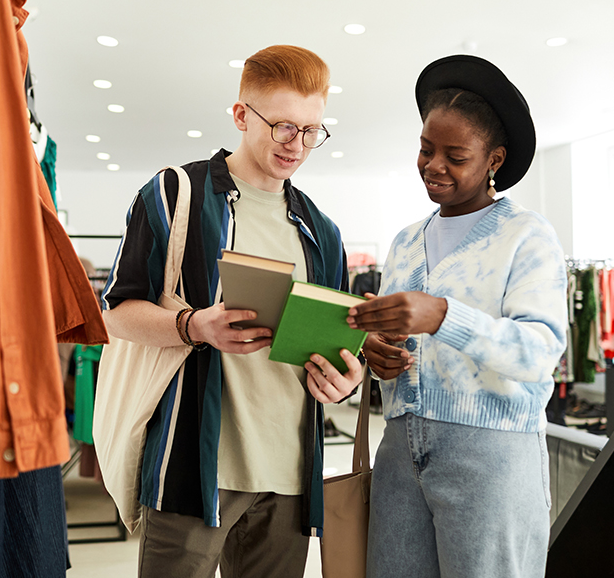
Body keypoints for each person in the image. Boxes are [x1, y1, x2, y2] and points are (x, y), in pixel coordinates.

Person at [101, 44, 364, 578]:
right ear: (242, 115)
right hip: (192, 469)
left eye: (314, 130)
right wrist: (193, 325)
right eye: (284, 127)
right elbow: (117, 312)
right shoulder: (176, 193)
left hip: (290, 480)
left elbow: (332, 345)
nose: (300, 145)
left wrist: (346, 378)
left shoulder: (324, 232)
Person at [347, 55, 568, 577]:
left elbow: (540, 352)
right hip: (400, 452)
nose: (433, 165)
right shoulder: (404, 242)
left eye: (455, 155)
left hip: (490, 456)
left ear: (494, 159)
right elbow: (393, 339)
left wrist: (445, 315)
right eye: (425, 149)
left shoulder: (527, 235)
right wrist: (374, 353)